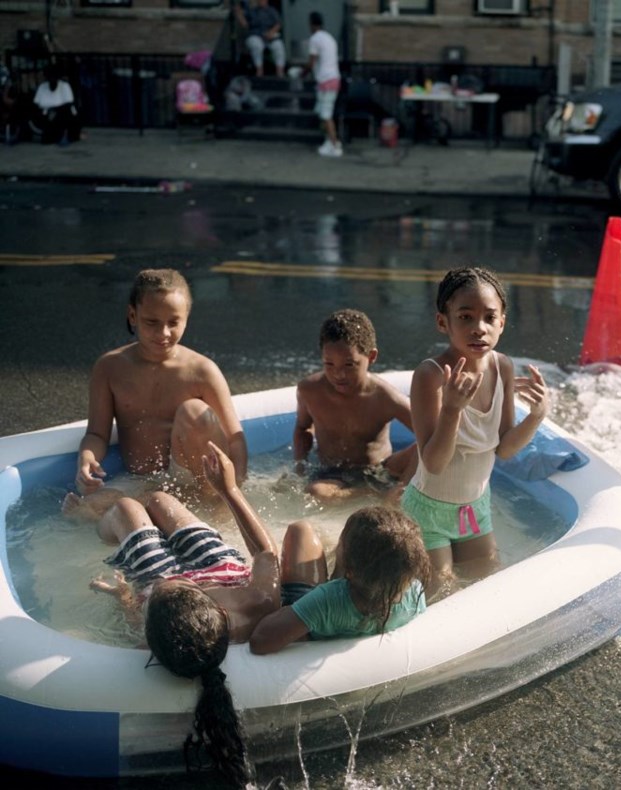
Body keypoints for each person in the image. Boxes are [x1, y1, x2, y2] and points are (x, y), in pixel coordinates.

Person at [91, 442, 322, 786]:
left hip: (158, 581)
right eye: (180, 585)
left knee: (128, 507)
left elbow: (138, 621)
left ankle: (92, 519)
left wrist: (124, 594)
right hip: (220, 567)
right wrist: (229, 490)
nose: (177, 579)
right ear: (212, 603)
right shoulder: (252, 604)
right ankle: (134, 521)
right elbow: (265, 553)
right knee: (158, 500)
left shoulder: (158, 622)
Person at [400, 266, 550, 599]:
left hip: (474, 510)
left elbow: (505, 449)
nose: (478, 329)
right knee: (438, 597)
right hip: (428, 511)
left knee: (488, 592)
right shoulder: (431, 375)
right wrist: (451, 409)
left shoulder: (503, 367)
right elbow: (434, 463)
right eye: (465, 317)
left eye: (488, 318)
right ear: (444, 322)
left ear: (502, 322)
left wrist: (537, 417)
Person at [69, 268, 247, 509]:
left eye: (174, 323)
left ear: (186, 318)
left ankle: (208, 501)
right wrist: (86, 459)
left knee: (195, 411)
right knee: (79, 511)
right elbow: (97, 434)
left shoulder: (202, 371)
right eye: (152, 322)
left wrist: (233, 494)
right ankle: (159, 507)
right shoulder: (109, 368)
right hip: (142, 481)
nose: (163, 333)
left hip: (194, 483)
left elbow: (235, 439)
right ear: (133, 315)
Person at [249, 505, 430, 653]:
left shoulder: (328, 600)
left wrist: (299, 617)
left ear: (349, 570)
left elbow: (260, 641)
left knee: (300, 529)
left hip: (317, 617)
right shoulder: (414, 592)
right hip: (342, 610)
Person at [293, 308, 417, 501]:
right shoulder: (309, 391)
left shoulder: (384, 397)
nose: (338, 374)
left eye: (349, 365)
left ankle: (396, 490)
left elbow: (431, 435)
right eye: (329, 364)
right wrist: (299, 467)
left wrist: (405, 482)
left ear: (372, 356)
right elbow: (302, 428)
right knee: (316, 493)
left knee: (426, 447)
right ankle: (374, 494)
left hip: (381, 470)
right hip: (331, 475)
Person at [307, 11, 342, 158]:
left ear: (312, 24)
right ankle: (329, 140)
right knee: (322, 112)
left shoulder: (315, 39)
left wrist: (300, 73)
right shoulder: (330, 38)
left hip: (325, 81)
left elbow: (311, 62)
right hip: (333, 78)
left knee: (326, 114)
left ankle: (334, 145)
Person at [31, 63, 81, 146]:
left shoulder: (64, 86)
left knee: (64, 112)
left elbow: (68, 103)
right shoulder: (42, 87)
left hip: (62, 114)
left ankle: (65, 136)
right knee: (46, 141)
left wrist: (54, 110)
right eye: (50, 77)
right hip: (46, 115)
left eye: (54, 77)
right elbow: (36, 103)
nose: (52, 79)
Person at [235, 0, 286, 78]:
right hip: (256, 35)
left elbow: (278, 24)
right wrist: (238, 14)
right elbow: (245, 24)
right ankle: (259, 70)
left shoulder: (271, 11)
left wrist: (271, 32)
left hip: (269, 35)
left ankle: (280, 72)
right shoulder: (253, 11)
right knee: (257, 45)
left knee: (278, 46)